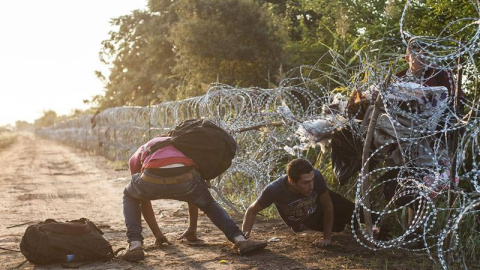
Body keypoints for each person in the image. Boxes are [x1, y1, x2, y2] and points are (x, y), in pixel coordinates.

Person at [120, 136, 267, 262]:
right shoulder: (182, 144)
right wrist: (192, 229)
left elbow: (143, 199)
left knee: (130, 195)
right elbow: (193, 197)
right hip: (186, 177)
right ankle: (240, 240)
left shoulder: (141, 151)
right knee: (209, 204)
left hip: (152, 176)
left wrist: (157, 234)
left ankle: (135, 245)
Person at [242, 158, 377, 247]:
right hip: (308, 220)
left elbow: (328, 205)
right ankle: (358, 228)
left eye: (312, 180)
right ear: (291, 181)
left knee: (349, 208)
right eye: (306, 182)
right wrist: (245, 236)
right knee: (339, 226)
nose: (311, 185)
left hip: (320, 206)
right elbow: (252, 210)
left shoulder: (316, 176)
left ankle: (378, 223)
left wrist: (327, 238)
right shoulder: (274, 190)